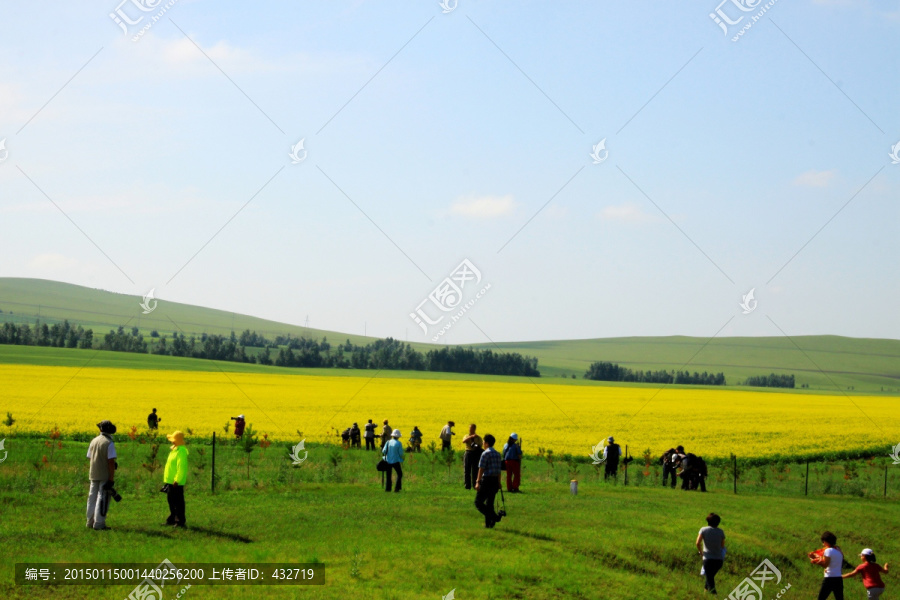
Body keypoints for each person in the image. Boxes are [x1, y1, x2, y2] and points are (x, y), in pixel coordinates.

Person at [86, 420, 118, 531]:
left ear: (101, 429)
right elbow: (110, 462)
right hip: (104, 474)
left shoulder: (94, 440)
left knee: (92, 497)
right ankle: (99, 523)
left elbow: (90, 456)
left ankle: (90, 522)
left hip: (93, 473)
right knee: (102, 498)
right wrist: (111, 478)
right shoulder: (109, 443)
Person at [474, 434, 503, 528]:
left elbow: (481, 468)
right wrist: (499, 482)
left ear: (486, 443)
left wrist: (478, 482)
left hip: (486, 480)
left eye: (483, 441)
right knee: (490, 503)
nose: (482, 443)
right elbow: (499, 470)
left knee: (478, 502)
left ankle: (494, 517)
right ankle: (488, 524)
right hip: (494, 480)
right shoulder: (498, 454)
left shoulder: (485, 453)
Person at [163, 431, 189, 528]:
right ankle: (172, 519)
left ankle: (180, 521)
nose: (172, 442)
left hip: (176, 482)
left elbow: (181, 467)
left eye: (174, 440)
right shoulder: (174, 450)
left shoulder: (181, 451)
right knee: (171, 500)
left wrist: (177, 479)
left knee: (178, 502)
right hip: (170, 481)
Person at [809, 531, 846, 600]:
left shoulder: (828, 551)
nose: (823, 544)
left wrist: (817, 562)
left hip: (830, 578)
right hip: (838, 578)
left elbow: (825, 564)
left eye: (823, 542)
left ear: (826, 541)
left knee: (821, 598)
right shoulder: (838, 550)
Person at [696, 512, 726, 594]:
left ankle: (715, 596)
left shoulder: (703, 529)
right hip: (719, 561)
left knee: (710, 580)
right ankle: (705, 595)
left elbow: (697, 543)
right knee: (709, 578)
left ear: (708, 521)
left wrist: (700, 552)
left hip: (708, 560)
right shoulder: (721, 532)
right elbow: (722, 546)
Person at [462, 424, 483, 490]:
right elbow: (464, 441)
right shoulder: (466, 435)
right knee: (467, 470)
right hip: (468, 452)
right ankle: (467, 486)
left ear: (474, 429)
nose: (470, 429)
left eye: (471, 428)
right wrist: (471, 437)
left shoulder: (478, 437)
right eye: (469, 428)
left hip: (475, 453)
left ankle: (475, 485)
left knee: (475, 470)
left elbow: (480, 445)